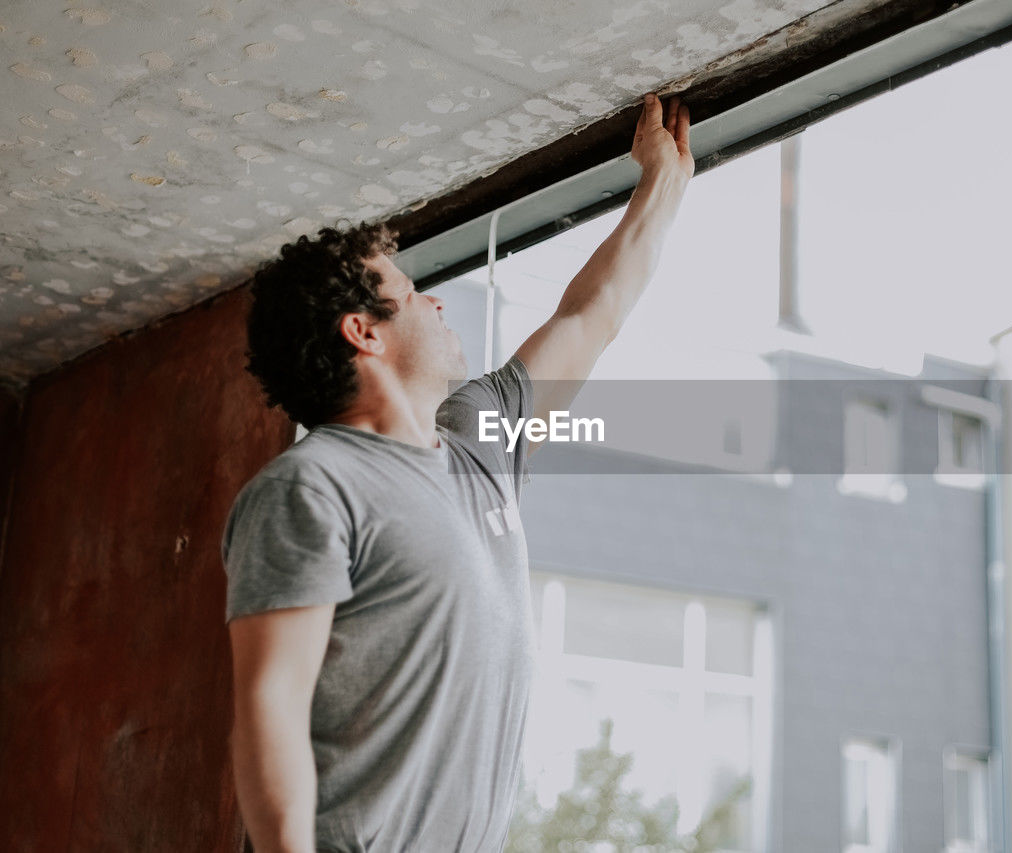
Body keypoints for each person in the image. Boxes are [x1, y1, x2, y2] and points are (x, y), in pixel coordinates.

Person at [221, 93, 692, 853]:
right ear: (362, 331)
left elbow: (589, 316)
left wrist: (662, 185)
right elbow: (269, 705)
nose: (436, 302)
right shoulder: (308, 489)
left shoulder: (478, 443)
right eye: (411, 295)